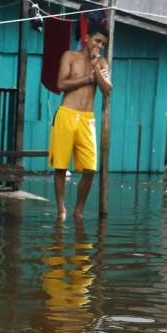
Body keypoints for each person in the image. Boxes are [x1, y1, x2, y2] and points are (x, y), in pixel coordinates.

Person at [48, 26, 112, 220]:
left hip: (87, 119)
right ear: (86, 38)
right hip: (66, 114)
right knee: (60, 166)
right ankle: (61, 210)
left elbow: (107, 89)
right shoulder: (70, 56)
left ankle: (78, 210)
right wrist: (88, 78)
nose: (99, 46)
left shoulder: (101, 62)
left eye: (102, 44)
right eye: (97, 41)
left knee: (91, 168)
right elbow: (60, 84)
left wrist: (95, 66)